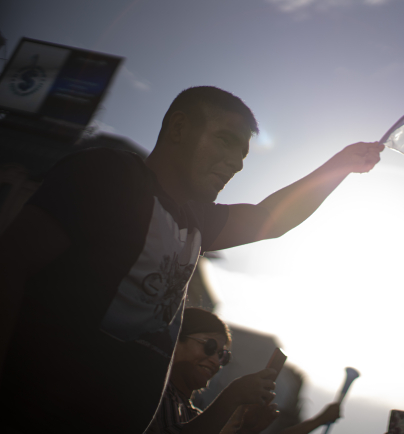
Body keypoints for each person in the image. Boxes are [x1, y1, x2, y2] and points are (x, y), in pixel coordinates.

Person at [0, 86, 384, 434]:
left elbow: (271, 219)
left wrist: (340, 166)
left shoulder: (197, 219)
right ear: (179, 128)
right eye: (225, 141)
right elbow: (12, 262)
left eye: (243, 154)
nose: (236, 163)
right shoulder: (112, 174)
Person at [147, 307, 340, 434]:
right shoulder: (148, 392)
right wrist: (232, 397)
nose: (215, 361)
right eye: (209, 346)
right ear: (176, 339)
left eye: (223, 356)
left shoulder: (191, 413)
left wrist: (247, 429)